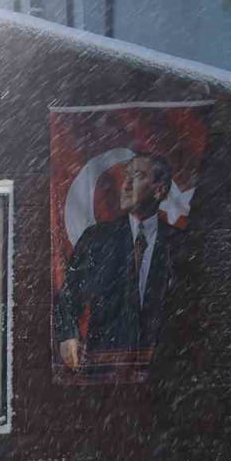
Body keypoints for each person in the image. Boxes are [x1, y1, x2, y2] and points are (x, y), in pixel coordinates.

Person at [55, 151, 182, 371]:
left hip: (163, 369)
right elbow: (68, 295)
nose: (126, 185)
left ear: (160, 190)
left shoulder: (180, 244)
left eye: (138, 176)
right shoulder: (96, 239)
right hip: (105, 365)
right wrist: (68, 335)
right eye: (127, 175)